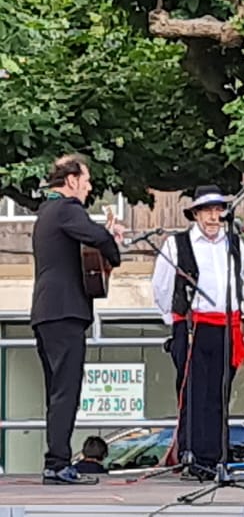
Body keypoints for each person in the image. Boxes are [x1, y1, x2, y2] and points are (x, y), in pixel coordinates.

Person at [31, 154, 124, 485]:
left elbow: (84, 246)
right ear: (71, 181)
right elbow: (97, 239)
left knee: (56, 390)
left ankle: (55, 459)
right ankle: (56, 463)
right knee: (66, 390)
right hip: (65, 311)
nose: (88, 188)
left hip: (46, 311)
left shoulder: (46, 213)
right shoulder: (67, 209)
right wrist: (114, 248)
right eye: (85, 181)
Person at [151, 185, 244, 479]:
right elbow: (162, 287)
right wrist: (175, 321)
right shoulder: (177, 244)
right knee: (193, 392)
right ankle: (191, 455)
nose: (213, 217)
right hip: (193, 326)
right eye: (206, 211)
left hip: (226, 326)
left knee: (219, 393)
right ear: (195, 215)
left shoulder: (234, 243)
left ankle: (215, 456)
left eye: (218, 210)